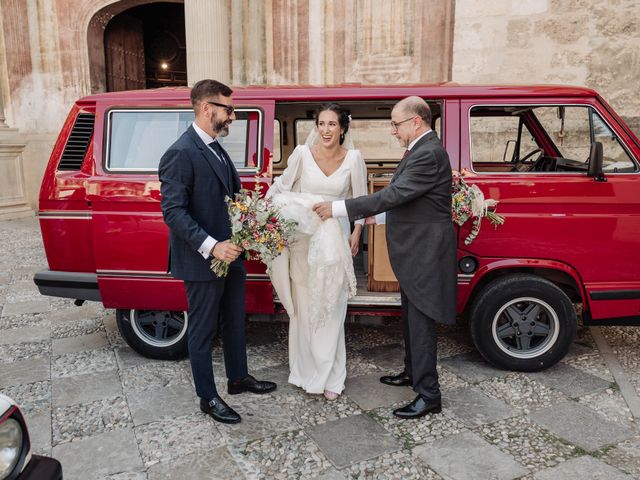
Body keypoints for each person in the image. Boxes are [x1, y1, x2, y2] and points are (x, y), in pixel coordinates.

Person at [313, 96, 456, 419]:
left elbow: (396, 194)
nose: (393, 131)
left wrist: (341, 209)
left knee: (421, 323)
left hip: (425, 253)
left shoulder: (428, 153)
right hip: (417, 251)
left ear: (416, 122)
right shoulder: (422, 149)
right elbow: (417, 202)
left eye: (395, 124)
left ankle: (429, 394)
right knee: (409, 318)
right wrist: (379, 219)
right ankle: (412, 372)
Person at [159, 79, 276, 425]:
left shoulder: (217, 148)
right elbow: (174, 212)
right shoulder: (180, 153)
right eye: (229, 109)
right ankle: (208, 398)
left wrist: (255, 224)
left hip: (232, 255)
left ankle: (238, 378)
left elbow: (231, 200)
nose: (233, 116)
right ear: (207, 108)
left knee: (235, 319)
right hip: (203, 260)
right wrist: (212, 247)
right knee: (203, 330)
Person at [266, 103, 367, 401]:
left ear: (342, 128)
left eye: (332, 124)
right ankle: (305, 372)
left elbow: (360, 201)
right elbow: (281, 188)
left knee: (331, 305)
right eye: (321, 124)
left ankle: (331, 375)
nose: (325, 130)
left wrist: (356, 232)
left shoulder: (354, 159)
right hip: (303, 239)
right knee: (305, 305)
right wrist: (264, 217)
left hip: (336, 240)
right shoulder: (301, 154)